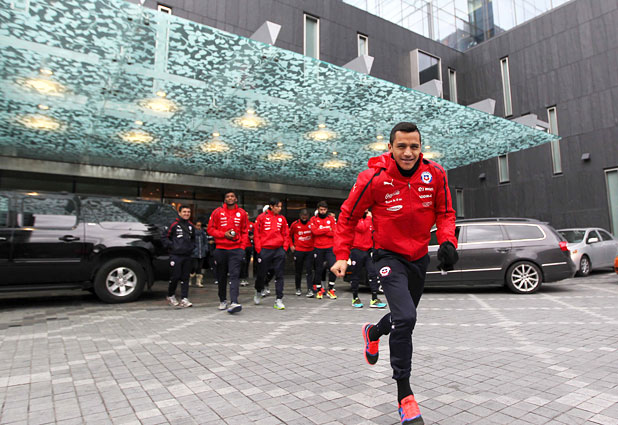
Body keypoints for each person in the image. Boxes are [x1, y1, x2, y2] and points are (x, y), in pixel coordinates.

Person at [331, 122, 459, 424]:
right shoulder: (373, 178)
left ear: (421, 147)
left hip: (418, 258)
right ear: (390, 148)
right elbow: (348, 216)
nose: (408, 152)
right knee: (407, 319)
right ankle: (405, 395)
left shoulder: (436, 174)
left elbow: (445, 213)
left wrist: (448, 241)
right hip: (388, 255)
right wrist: (341, 254)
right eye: (401, 146)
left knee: (404, 315)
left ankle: (373, 332)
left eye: (414, 146)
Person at [207, 191, 249, 314]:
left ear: (236, 199)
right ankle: (222, 300)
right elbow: (210, 229)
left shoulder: (242, 213)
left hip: (236, 250)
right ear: (225, 199)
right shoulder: (217, 212)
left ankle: (234, 301)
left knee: (234, 275)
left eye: (232, 196)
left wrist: (242, 248)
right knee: (221, 276)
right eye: (227, 196)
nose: (230, 198)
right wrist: (223, 234)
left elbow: (245, 231)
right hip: (221, 249)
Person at [253, 198, 289, 310]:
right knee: (261, 274)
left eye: (280, 206)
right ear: (271, 206)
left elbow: (286, 234)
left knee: (279, 275)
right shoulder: (261, 217)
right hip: (265, 249)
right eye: (277, 206)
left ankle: (279, 299)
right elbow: (256, 234)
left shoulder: (282, 219)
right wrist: (259, 249)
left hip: (278, 250)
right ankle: (258, 290)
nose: (279, 209)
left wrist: (284, 248)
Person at [349, 210, 386, 309]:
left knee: (373, 273)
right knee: (356, 275)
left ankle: (374, 298)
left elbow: (374, 233)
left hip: (368, 251)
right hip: (357, 250)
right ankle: (355, 298)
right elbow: (362, 228)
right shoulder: (357, 219)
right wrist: (369, 218)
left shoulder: (369, 220)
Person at [163, 205, 195, 308]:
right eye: (184, 211)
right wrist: (172, 246)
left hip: (187, 255)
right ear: (179, 213)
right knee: (175, 276)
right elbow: (164, 237)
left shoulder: (191, 226)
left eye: (188, 212)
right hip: (175, 255)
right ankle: (171, 295)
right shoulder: (173, 224)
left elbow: (193, 239)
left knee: (185, 277)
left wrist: (191, 248)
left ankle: (184, 298)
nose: (186, 214)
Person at [309, 201, 337, 299]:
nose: (322, 211)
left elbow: (334, 232)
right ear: (318, 209)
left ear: (327, 210)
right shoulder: (313, 219)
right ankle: (319, 290)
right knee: (318, 269)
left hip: (330, 247)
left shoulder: (331, 219)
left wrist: (321, 230)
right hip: (318, 247)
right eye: (321, 209)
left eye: (324, 210)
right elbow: (315, 232)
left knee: (333, 267)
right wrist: (327, 229)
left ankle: (331, 289)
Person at [288, 209, 314, 297]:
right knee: (298, 270)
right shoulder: (295, 224)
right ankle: (298, 288)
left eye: (306, 215)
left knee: (309, 270)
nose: (304, 217)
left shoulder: (312, 224)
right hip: (299, 250)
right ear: (300, 215)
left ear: (308, 216)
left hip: (310, 250)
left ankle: (310, 289)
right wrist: (291, 245)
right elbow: (289, 235)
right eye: (303, 215)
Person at [189, 220, 208, 288]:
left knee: (199, 267)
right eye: (197, 225)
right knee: (194, 266)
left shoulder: (203, 233)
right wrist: (192, 249)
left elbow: (205, 241)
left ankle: (198, 281)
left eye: (200, 225)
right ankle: (189, 278)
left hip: (201, 252)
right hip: (194, 253)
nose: (199, 227)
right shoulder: (192, 233)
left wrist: (205, 249)